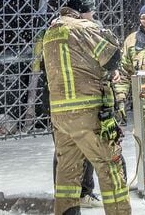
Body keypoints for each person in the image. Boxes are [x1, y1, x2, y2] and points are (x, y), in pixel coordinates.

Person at [37, 0, 130, 215]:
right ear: (82, 10)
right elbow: (112, 56)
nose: (93, 16)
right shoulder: (83, 28)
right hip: (86, 112)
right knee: (110, 166)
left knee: (67, 173)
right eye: (91, 12)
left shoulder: (51, 32)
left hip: (60, 116)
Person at [33, 40, 99, 208]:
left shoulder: (53, 43)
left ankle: (72, 195)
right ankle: (77, 194)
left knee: (68, 153)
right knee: (75, 152)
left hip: (65, 108)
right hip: (71, 108)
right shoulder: (67, 45)